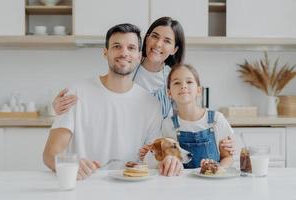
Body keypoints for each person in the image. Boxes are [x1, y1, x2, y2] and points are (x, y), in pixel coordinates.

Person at [43, 23, 171, 180]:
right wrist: (70, 166)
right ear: (105, 52)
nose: (124, 53)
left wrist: (169, 160)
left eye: (131, 48)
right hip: (84, 187)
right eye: (117, 46)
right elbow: (50, 154)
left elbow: (152, 158)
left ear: (139, 55)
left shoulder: (151, 105)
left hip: (131, 189)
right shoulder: (76, 93)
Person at [53, 16, 185, 118]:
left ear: (174, 49)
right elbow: (96, 95)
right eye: (154, 36)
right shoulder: (126, 65)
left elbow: (183, 114)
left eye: (167, 41)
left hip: (157, 147)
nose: (158, 44)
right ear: (147, 38)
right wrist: (60, 107)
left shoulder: (174, 78)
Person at [162, 64, 234, 168]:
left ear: (199, 90)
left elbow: (227, 157)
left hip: (213, 181)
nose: (183, 86)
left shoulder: (216, 119)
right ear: (169, 93)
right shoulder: (168, 125)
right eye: (177, 83)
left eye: (189, 82)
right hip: (181, 183)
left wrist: (217, 170)